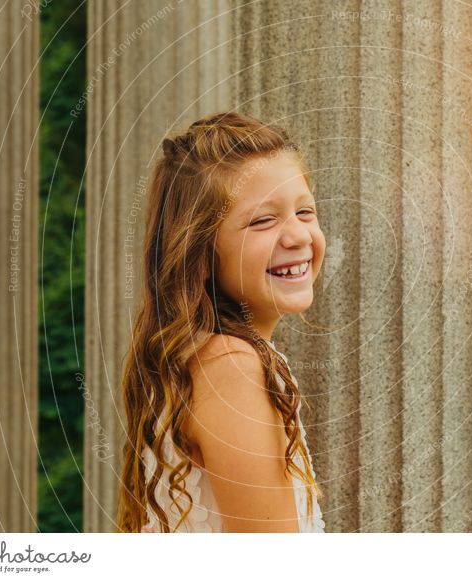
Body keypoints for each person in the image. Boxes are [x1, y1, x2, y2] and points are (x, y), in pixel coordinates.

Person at [115, 112, 326, 533]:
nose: (298, 236)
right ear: (201, 255)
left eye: (305, 211)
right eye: (263, 220)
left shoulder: (219, 358)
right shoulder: (229, 365)